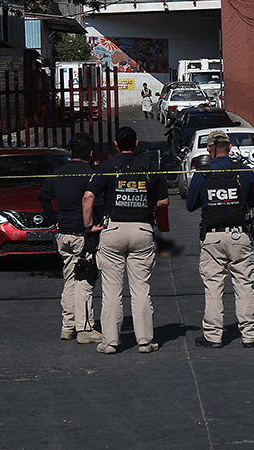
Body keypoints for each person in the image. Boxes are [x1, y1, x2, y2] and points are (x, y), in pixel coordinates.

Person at [82, 126, 169, 354]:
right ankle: (145, 341)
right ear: (137, 144)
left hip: (114, 230)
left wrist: (89, 226)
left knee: (112, 290)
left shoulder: (108, 166)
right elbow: (163, 203)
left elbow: (88, 197)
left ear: (115, 145)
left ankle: (110, 342)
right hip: (142, 230)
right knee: (141, 288)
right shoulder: (150, 167)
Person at [186, 130, 254, 349]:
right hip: (239, 234)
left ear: (210, 149)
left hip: (212, 236)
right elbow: (252, 200)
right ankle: (250, 334)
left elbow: (190, 204)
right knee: (244, 285)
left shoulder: (202, 173)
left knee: (213, 287)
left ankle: (213, 336)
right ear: (229, 148)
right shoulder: (244, 172)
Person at [39, 132, 103, 344]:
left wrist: (54, 219)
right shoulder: (90, 175)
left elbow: (44, 196)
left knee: (69, 279)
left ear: (70, 152)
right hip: (82, 234)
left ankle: (68, 326)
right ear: (91, 153)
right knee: (85, 280)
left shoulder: (59, 173)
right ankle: (85, 329)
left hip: (63, 233)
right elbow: (96, 202)